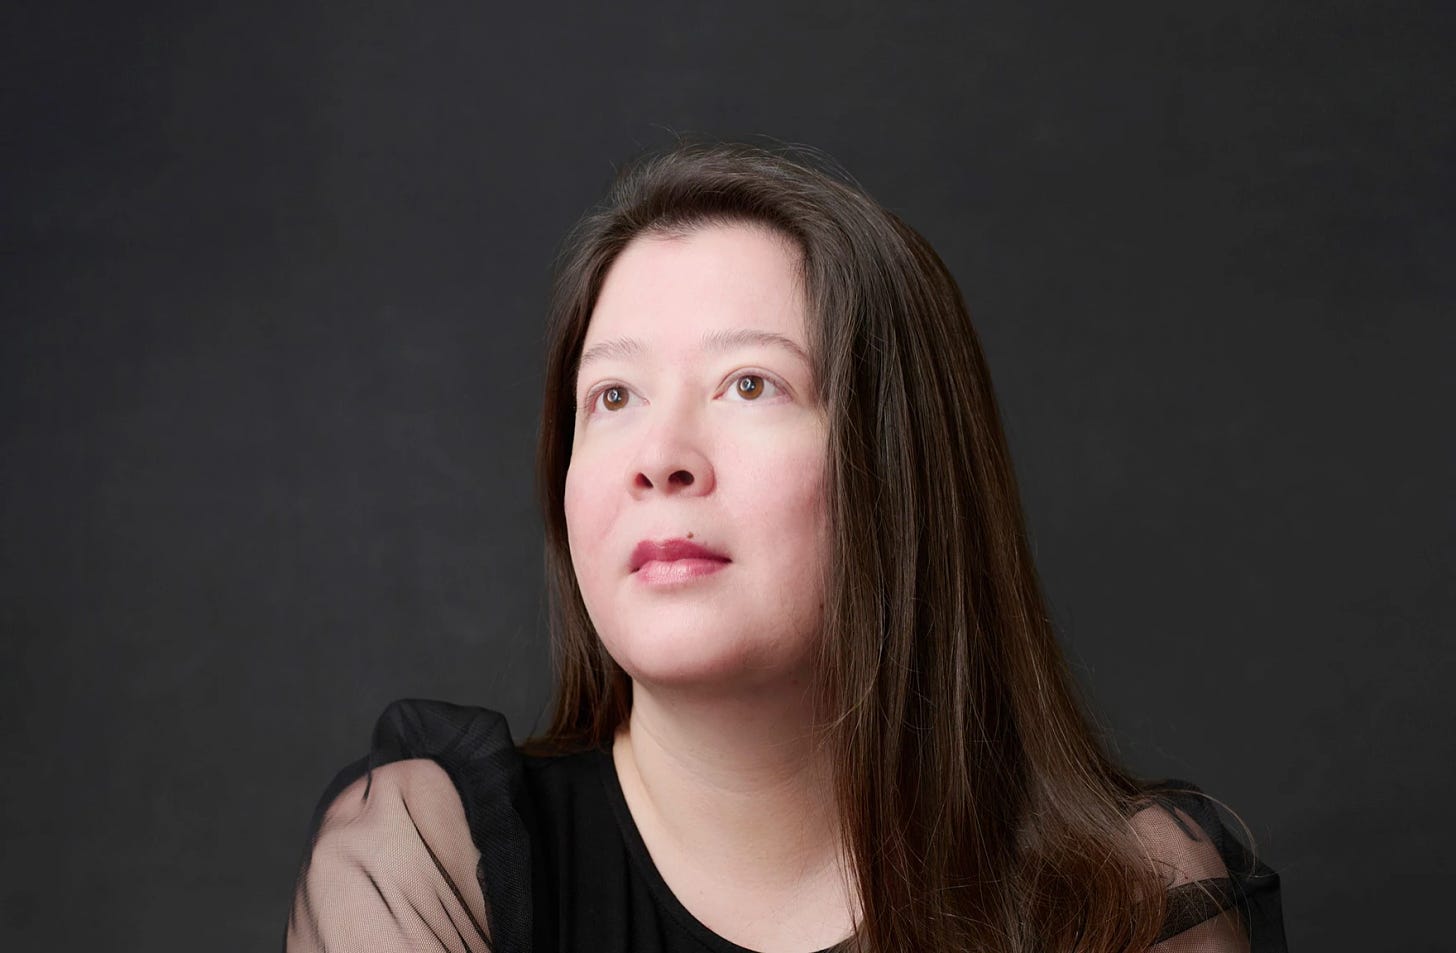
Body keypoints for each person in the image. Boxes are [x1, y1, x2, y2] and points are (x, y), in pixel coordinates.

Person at [283, 142, 1285, 953]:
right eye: (613, 396)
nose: (660, 458)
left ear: (899, 466)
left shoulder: (1127, 895)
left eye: (749, 384)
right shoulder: (427, 859)